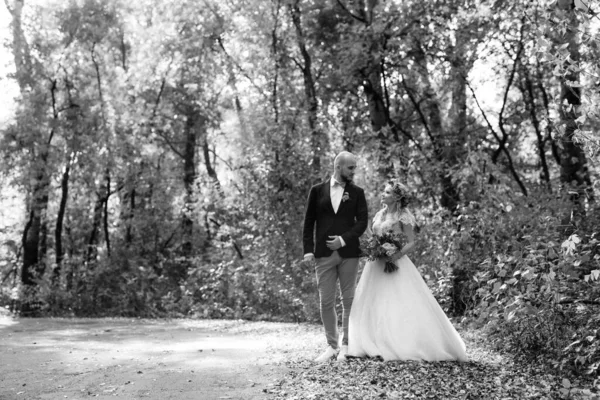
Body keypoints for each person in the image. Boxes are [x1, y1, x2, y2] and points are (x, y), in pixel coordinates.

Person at [347, 180, 467, 362]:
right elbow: (374, 236)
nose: (383, 194)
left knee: (397, 301)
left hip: (396, 262)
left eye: (387, 192)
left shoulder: (404, 217)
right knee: (372, 300)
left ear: (396, 197)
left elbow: (411, 242)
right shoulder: (379, 214)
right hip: (376, 264)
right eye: (384, 191)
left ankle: (400, 342)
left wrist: (395, 255)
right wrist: (373, 248)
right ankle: (373, 341)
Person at [302, 151, 369, 363]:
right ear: (338, 166)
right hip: (323, 254)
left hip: (349, 253)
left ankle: (346, 345)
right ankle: (332, 346)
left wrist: (343, 239)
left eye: (354, 167)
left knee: (348, 300)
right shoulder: (317, 191)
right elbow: (309, 221)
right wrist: (308, 249)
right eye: (351, 167)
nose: (354, 171)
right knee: (326, 301)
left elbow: (362, 222)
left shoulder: (357, 192)